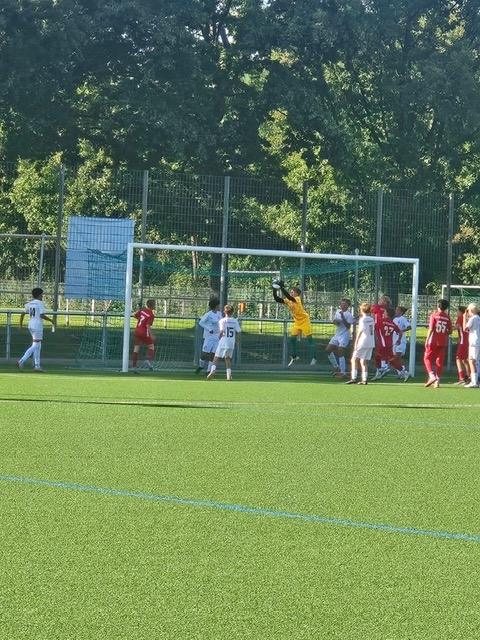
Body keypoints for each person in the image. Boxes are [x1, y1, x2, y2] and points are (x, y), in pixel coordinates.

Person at [272, 280, 316, 366]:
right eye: (291, 292)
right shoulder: (288, 301)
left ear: (297, 294)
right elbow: (277, 299)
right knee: (292, 339)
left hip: (304, 320)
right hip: (297, 322)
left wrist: (281, 288)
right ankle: (294, 356)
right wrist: (274, 290)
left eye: (293, 292)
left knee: (309, 338)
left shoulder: (297, 299)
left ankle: (314, 357)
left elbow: (289, 297)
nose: (291, 293)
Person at [16, 287, 54, 372]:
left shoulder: (30, 303)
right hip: (37, 326)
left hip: (31, 325)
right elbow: (42, 315)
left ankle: (37, 366)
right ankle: (21, 360)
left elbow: (22, 314)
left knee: (38, 345)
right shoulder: (40, 303)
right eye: (42, 294)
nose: (42, 296)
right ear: (40, 295)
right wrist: (51, 320)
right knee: (35, 345)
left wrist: (21, 325)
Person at [371, 307, 409, 381]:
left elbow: (374, 327)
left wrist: (373, 317)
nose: (383, 313)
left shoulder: (381, 321)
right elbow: (400, 332)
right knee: (391, 360)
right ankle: (405, 372)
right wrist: (399, 340)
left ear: (387, 314)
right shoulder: (392, 323)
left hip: (383, 343)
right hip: (389, 344)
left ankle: (382, 370)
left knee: (377, 356)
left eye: (384, 312)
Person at [206, 305, 241, 380]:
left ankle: (212, 371)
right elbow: (239, 332)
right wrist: (237, 341)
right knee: (227, 358)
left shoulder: (222, 321)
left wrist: (219, 337)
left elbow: (222, 331)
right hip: (231, 342)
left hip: (224, 341)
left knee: (216, 357)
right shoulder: (235, 321)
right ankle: (229, 374)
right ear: (232, 312)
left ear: (224, 312)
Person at [423, 298, 452, 388]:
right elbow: (450, 331)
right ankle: (437, 381)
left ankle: (432, 376)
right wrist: (443, 333)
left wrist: (427, 339)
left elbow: (431, 329)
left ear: (438, 306)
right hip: (443, 341)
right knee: (439, 361)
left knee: (426, 358)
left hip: (433, 341)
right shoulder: (447, 317)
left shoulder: (434, 316)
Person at [346, 302, 375, 385]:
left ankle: (353, 378)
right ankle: (364, 379)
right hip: (371, 342)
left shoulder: (363, 319)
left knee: (354, 359)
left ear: (362, 310)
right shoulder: (371, 319)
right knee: (363, 361)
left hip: (363, 341)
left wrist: (356, 342)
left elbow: (360, 331)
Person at [326, 298, 356, 378]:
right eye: (341, 303)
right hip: (337, 334)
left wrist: (343, 317)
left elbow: (348, 326)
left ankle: (343, 372)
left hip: (344, 335)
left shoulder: (348, 315)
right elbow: (334, 321)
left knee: (340, 351)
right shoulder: (338, 312)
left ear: (347, 305)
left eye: (344, 304)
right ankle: (336, 366)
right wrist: (336, 322)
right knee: (328, 350)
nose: (342, 305)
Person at [195, 297, 223, 375]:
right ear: (215, 306)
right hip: (209, 336)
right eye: (218, 305)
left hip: (217, 336)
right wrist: (209, 328)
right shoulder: (208, 314)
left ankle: (208, 370)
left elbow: (221, 323)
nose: (219, 306)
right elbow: (201, 322)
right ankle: (201, 366)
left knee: (213, 354)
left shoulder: (219, 314)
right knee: (204, 354)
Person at [132, 299, 156, 373]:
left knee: (136, 349)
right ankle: (148, 360)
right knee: (151, 346)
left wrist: (141, 320)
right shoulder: (151, 315)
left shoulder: (143, 311)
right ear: (153, 306)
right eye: (155, 304)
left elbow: (134, 315)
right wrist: (152, 335)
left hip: (137, 331)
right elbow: (148, 325)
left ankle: (134, 367)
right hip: (144, 332)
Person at [464, 302, 480, 388]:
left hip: (474, 342)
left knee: (471, 361)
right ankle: (476, 379)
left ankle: (474, 381)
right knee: (476, 361)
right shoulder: (478, 318)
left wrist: (464, 318)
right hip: (478, 341)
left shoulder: (473, 318)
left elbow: (465, 328)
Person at [453, 305, 469, 385]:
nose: (456, 312)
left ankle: (462, 377)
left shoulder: (460, 318)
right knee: (465, 360)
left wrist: (447, 329)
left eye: (457, 311)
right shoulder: (467, 318)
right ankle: (469, 376)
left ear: (461, 312)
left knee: (458, 358)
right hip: (468, 341)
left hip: (463, 342)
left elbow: (457, 327)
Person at [393, 306, 411, 378]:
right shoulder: (394, 319)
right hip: (394, 341)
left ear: (401, 312)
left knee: (397, 357)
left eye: (397, 310)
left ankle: (404, 372)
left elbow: (409, 327)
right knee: (396, 358)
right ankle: (401, 373)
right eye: (396, 310)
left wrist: (401, 331)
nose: (396, 311)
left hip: (400, 341)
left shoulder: (403, 319)